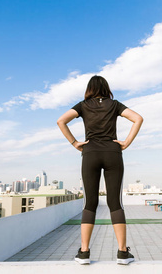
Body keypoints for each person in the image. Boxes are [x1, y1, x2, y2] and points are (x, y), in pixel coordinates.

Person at [57, 75, 143, 265]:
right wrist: (126, 142)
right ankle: (122, 253)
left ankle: (84, 253)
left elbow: (61, 121)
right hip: (113, 152)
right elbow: (138, 118)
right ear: (106, 88)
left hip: (90, 153)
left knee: (90, 202)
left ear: (89, 89)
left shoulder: (83, 105)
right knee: (115, 202)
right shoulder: (114, 105)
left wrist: (74, 143)